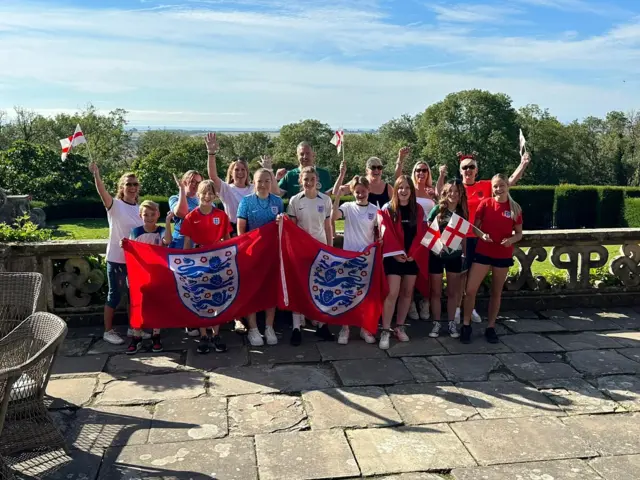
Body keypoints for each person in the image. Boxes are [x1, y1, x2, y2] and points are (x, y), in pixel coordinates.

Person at [436, 151, 530, 323]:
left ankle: (468, 308)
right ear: (460, 170)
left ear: (476, 170)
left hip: (479, 238)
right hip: (458, 236)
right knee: (460, 275)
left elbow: (508, 183)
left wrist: (523, 164)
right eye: (465, 167)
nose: (468, 170)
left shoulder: (486, 186)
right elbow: (439, 193)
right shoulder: (457, 188)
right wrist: (441, 175)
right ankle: (457, 308)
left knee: (473, 276)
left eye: (472, 167)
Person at [461, 174, 523, 344]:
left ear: (507, 186)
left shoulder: (514, 208)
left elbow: (519, 234)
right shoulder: (486, 204)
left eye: (501, 185)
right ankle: (466, 325)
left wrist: (510, 240)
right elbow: (474, 228)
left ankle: (491, 326)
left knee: (496, 292)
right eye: (495, 186)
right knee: (470, 290)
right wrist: (482, 235)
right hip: (483, 252)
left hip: (502, 254)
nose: (498, 189)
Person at [89, 162, 143, 345]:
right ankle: (108, 331)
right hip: (116, 258)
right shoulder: (114, 205)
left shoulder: (140, 209)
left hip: (134, 260)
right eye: (128, 184)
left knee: (133, 295)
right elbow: (101, 191)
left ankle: (133, 328)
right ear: (121, 187)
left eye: (135, 184)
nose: (132, 187)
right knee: (115, 295)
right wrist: (96, 174)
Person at [180, 180, 231, 355]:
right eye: (204, 193)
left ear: (215, 195)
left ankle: (216, 334)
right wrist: (184, 266)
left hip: (217, 261)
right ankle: (203, 335)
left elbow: (227, 239)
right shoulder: (191, 216)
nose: (207, 196)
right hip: (197, 260)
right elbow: (187, 243)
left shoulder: (221, 215)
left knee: (217, 296)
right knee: (200, 296)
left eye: (211, 193)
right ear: (198, 195)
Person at [286, 166, 335, 346]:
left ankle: (321, 325)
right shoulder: (295, 200)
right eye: (305, 179)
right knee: (299, 288)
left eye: (311, 179)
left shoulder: (326, 200)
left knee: (320, 287)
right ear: (301, 180)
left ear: (317, 180)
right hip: (300, 251)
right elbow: (291, 228)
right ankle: (297, 327)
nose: (308, 182)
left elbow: (328, 226)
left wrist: (330, 248)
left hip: (320, 250)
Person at [378, 175, 428, 350]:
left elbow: (423, 234)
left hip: (411, 257)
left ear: (411, 191)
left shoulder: (418, 209)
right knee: (392, 293)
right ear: (396, 190)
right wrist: (396, 253)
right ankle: (385, 330)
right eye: (400, 188)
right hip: (394, 257)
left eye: (407, 188)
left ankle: (399, 327)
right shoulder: (388, 209)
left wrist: (414, 254)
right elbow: (386, 235)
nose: (404, 191)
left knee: (407, 293)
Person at [330, 161, 378, 345]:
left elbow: (379, 233)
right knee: (347, 294)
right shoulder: (348, 207)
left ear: (368, 190)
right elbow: (334, 216)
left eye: (363, 190)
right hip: (349, 258)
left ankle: (365, 329)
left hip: (367, 259)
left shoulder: (375, 211)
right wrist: (338, 195)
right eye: (356, 191)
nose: (360, 194)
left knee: (365, 296)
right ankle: (345, 328)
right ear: (353, 192)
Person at [237, 169, 285, 346]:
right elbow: (241, 229)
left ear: (271, 182)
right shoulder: (246, 202)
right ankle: (254, 328)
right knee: (253, 290)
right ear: (253, 182)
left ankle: (269, 327)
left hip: (271, 252)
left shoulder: (277, 201)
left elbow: (281, 227)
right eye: (259, 181)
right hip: (252, 253)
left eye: (267, 181)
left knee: (269, 290)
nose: (263, 184)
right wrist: (244, 250)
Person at [126, 200, 174, 354]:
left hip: (156, 275)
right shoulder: (135, 232)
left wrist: (167, 222)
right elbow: (132, 253)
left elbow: (168, 240)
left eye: (153, 214)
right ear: (141, 215)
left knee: (156, 305)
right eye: (146, 214)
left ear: (158, 215)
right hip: (140, 275)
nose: (149, 218)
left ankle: (156, 335)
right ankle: (136, 336)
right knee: (138, 306)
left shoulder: (160, 231)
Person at [426, 180, 469, 339]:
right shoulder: (437, 209)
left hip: (455, 256)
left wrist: (464, 254)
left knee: (453, 292)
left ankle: (451, 323)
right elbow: (429, 229)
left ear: (461, 194)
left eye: (457, 191)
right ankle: (436, 323)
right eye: (450, 191)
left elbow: (463, 237)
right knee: (435, 291)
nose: (453, 194)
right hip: (436, 254)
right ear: (445, 192)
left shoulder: (462, 212)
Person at [407, 160, 436, 323]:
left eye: (424, 170)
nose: (421, 173)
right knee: (411, 270)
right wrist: (400, 161)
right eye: (418, 170)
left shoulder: (431, 190)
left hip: (430, 235)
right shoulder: (409, 190)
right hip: (412, 234)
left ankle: (425, 302)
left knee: (428, 271)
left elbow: (442, 209)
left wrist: (436, 197)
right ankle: (410, 302)